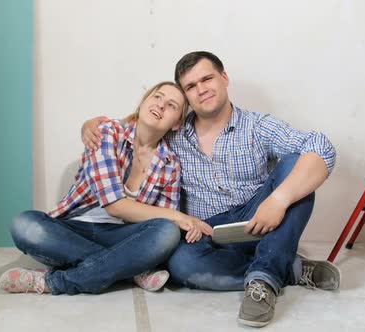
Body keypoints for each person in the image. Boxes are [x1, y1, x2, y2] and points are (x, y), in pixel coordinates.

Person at [82, 52, 340, 327]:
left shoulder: (257, 126)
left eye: (207, 79)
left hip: (261, 217)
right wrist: (90, 126)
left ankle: (263, 282)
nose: (201, 89)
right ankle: (289, 268)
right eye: (191, 87)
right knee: (180, 265)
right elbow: (137, 128)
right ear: (186, 97)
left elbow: (321, 147)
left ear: (224, 78)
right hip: (207, 232)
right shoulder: (174, 132)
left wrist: (277, 200)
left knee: (299, 165)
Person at [0, 81, 213, 296]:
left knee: (166, 232)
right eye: (157, 97)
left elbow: (161, 221)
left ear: (176, 123)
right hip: (74, 228)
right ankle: (129, 270)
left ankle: (54, 282)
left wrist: (173, 220)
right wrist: (177, 216)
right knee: (24, 225)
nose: (161, 105)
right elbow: (115, 206)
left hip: (122, 235)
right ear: (143, 102)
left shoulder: (170, 164)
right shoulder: (107, 132)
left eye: (172, 105)